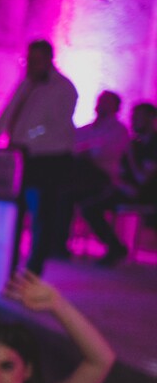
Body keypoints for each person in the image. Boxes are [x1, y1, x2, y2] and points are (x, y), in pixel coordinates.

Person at [0, 40, 79, 274]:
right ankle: (10, 261)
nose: (32, 63)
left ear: (49, 59)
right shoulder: (27, 82)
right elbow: (8, 112)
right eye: (30, 59)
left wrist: (27, 136)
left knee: (42, 214)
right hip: (22, 153)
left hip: (49, 158)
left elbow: (56, 126)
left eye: (37, 59)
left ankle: (35, 268)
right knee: (17, 209)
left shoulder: (63, 88)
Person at [71, 90, 132, 266]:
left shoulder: (118, 130)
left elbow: (104, 154)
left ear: (116, 107)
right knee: (61, 193)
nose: (101, 105)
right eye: (100, 100)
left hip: (103, 179)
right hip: (81, 177)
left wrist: (86, 152)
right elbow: (72, 147)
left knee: (85, 204)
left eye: (106, 102)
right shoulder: (86, 129)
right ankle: (57, 244)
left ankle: (115, 247)